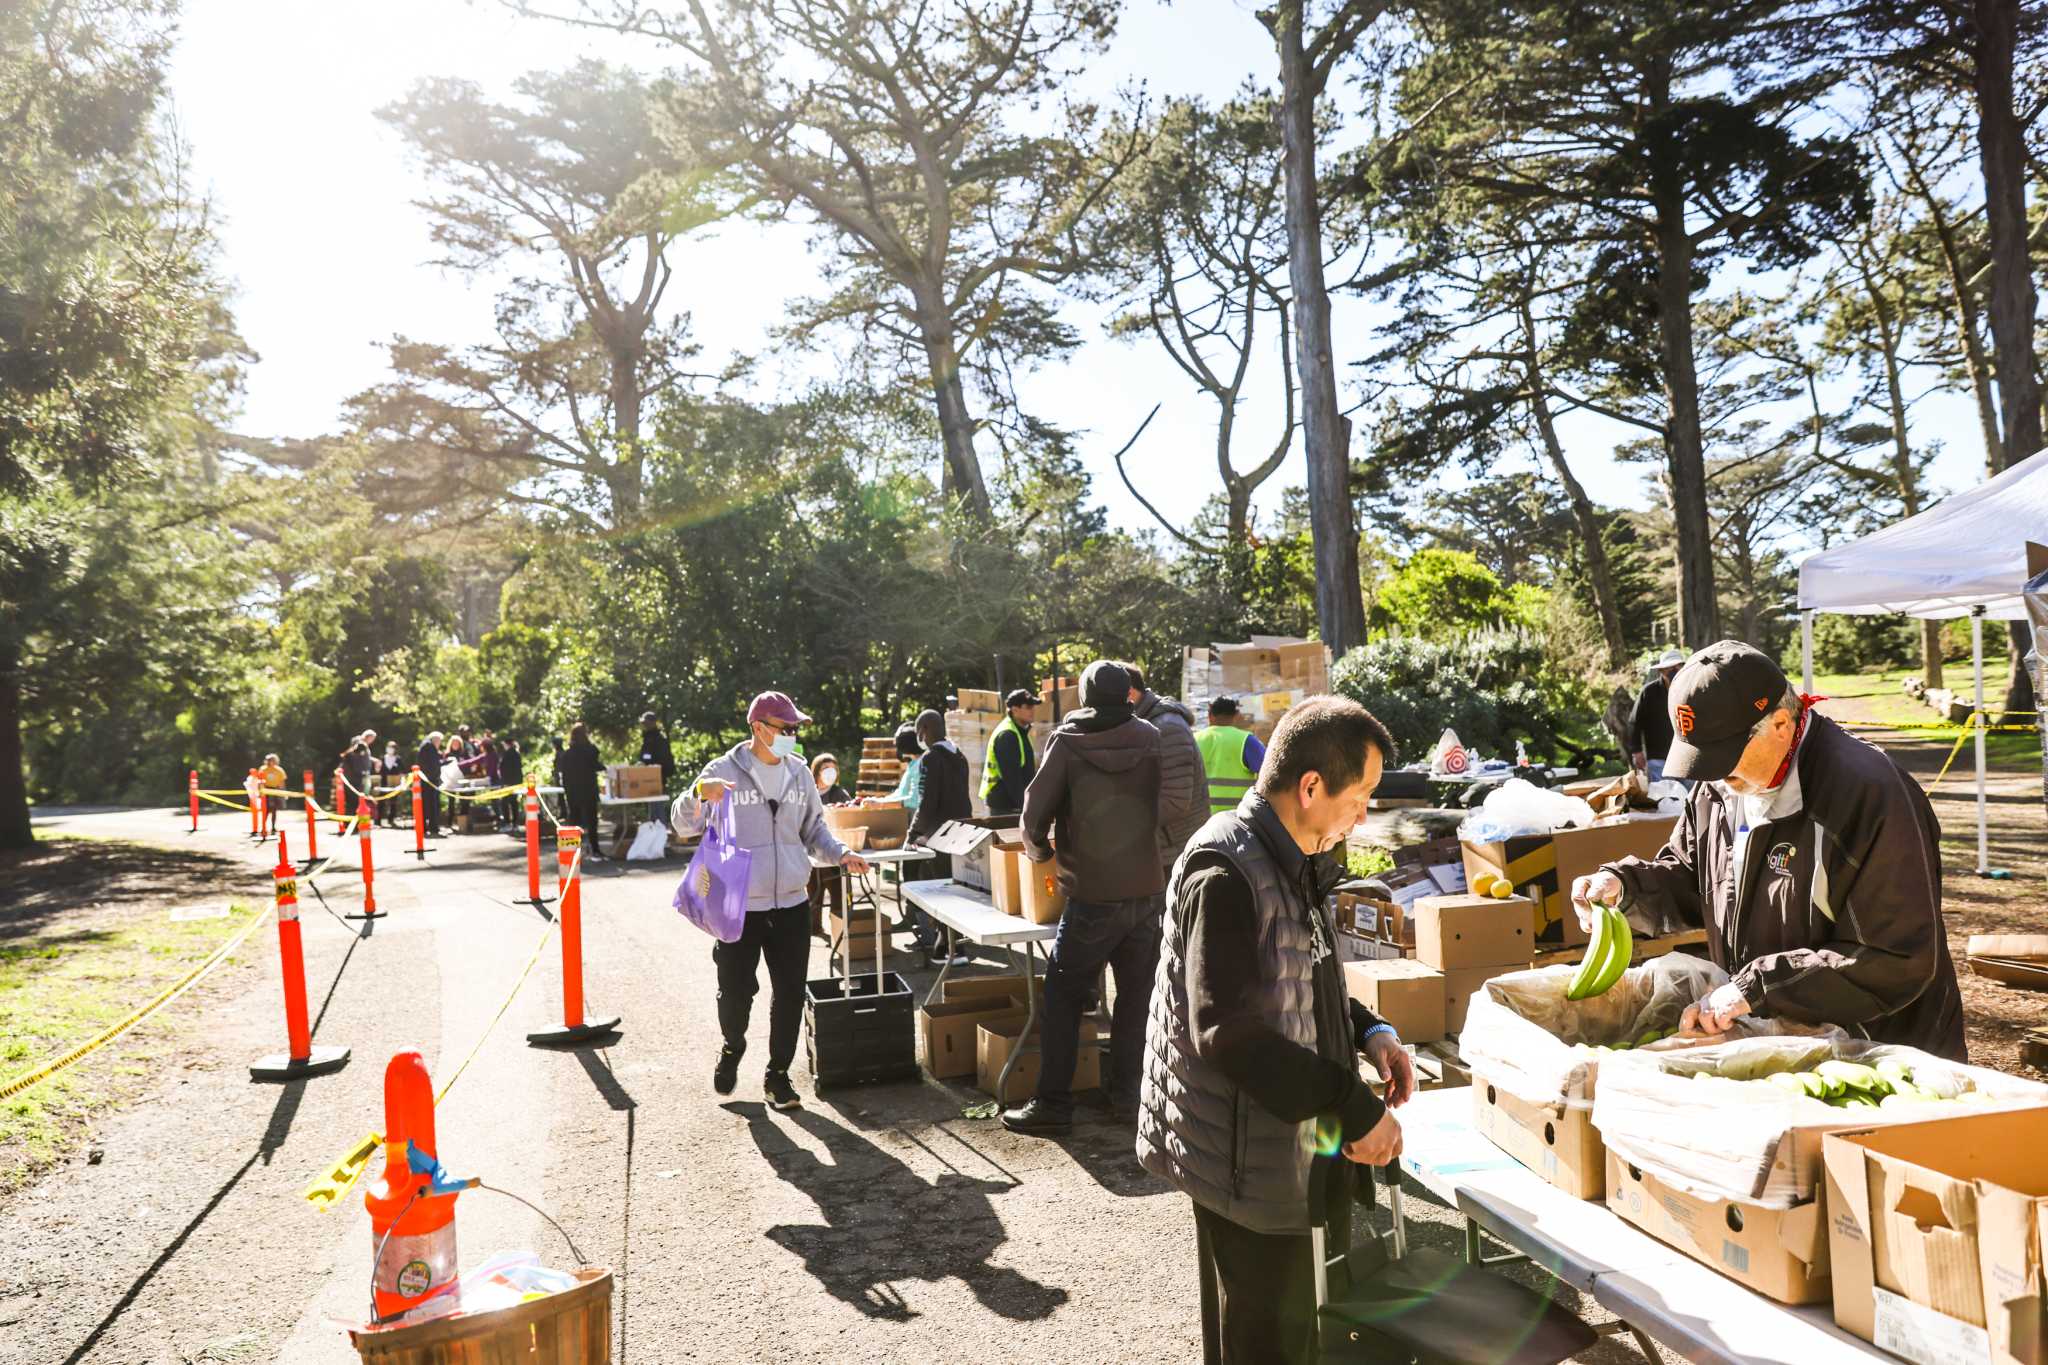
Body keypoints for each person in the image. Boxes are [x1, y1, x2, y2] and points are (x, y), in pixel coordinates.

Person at [1135, 695, 1415, 1363]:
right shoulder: (1224, 869)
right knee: (1263, 1341)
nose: (1364, 814)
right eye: (1361, 795)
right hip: (1244, 1165)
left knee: (1306, 1330)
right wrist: (1352, 1104)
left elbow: (1299, 976)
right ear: (1311, 787)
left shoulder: (1294, 853)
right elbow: (1225, 1030)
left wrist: (1367, 1029)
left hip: (1293, 1144)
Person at [1572, 641, 1967, 1059]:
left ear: (1781, 723)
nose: (1715, 776)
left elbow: (1896, 958)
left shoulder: (1870, 795)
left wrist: (1758, 988)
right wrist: (1625, 885)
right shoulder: (1720, 788)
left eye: (1724, 755)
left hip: (1885, 1057)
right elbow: (1693, 875)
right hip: (1783, 1046)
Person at [673, 691, 868, 1110]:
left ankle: (777, 1076)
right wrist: (697, 793)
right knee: (736, 994)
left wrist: (841, 854)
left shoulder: (800, 774)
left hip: (794, 904)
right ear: (759, 728)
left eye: (796, 730)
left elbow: (815, 829)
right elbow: (682, 824)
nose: (793, 737)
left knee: (791, 993)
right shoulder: (722, 772)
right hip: (739, 906)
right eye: (786, 729)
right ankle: (732, 1046)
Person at [1004, 661, 1163, 1135]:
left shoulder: (1068, 742)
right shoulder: (1151, 737)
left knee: (1063, 997)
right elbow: (1168, 800)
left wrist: (1041, 853)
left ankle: (1053, 1103)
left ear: (1085, 696)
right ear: (1128, 696)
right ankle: (1130, 1099)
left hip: (1092, 893)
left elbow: (1034, 812)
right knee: (1137, 1000)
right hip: (1147, 889)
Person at [1127, 664, 1209, 877]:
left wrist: (1124, 821)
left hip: (1175, 851)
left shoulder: (1166, 727)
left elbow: (1175, 801)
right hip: (1165, 847)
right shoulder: (1148, 723)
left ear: (1129, 692)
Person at [906, 709, 973, 966]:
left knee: (941, 891)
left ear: (924, 730)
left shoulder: (930, 758)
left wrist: (913, 833)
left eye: (918, 732)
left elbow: (927, 802)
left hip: (940, 835)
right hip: (963, 831)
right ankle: (950, 947)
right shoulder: (960, 756)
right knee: (957, 889)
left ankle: (950, 950)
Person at [1194, 697, 1268, 814]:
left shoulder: (1194, 739)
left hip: (1201, 816)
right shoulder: (1246, 740)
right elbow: (1270, 771)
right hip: (1237, 816)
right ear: (1236, 715)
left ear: (1209, 715)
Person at [1627, 647, 1687, 781]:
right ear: (1661, 670)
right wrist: (1636, 751)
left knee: (1691, 798)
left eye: (1678, 666)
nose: (1674, 671)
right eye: (1669, 667)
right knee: (1665, 797)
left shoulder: (1692, 689)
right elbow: (1635, 722)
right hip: (1659, 758)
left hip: (1687, 756)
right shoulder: (1648, 692)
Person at [980, 688, 1039, 817]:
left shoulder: (1020, 731)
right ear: (1015, 710)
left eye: (1033, 706)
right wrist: (1027, 808)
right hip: (1006, 807)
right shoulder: (1008, 735)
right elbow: (1012, 779)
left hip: (1011, 805)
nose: (1033, 710)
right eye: (1028, 707)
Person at [554, 723, 603, 858]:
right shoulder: (590, 750)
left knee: (573, 818)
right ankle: (595, 849)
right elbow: (596, 763)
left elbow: (563, 773)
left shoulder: (567, 754)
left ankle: (569, 849)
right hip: (588, 788)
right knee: (592, 820)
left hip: (573, 790)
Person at [414, 732, 445, 837]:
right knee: (431, 805)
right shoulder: (429, 747)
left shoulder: (426, 746)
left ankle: (427, 828)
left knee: (426, 805)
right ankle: (433, 828)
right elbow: (433, 765)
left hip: (428, 780)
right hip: (430, 781)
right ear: (435, 739)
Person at [497, 737, 525, 827]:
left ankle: (508, 822)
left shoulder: (509, 754)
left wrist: (505, 782)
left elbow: (507, 769)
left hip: (509, 782)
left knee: (505, 802)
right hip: (515, 782)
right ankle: (514, 822)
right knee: (513, 802)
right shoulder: (516, 753)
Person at [378, 740, 405, 827]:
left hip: (394, 784)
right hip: (384, 783)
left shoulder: (398, 759)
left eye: (392, 748)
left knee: (393, 802)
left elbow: (402, 771)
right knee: (381, 801)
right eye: (389, 747)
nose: (390, 749)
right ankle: (378, 820)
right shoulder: (382, 758)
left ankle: (391, 819)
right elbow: (379, 770)